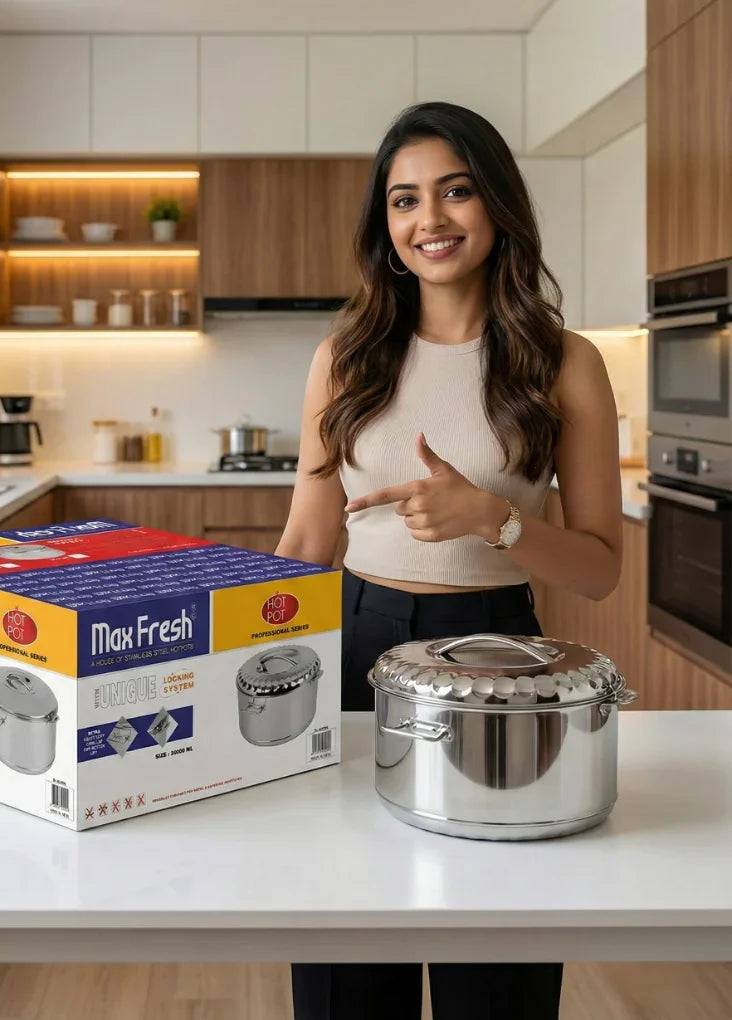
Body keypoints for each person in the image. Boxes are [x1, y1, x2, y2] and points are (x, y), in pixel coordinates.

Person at [274, 101, 623, 1020]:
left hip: (500, 658)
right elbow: (309, 542)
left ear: (498, 203)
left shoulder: (565, 362)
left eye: (455, 191)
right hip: (352, 648)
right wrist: (226, 641)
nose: (429, 219)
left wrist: (496, 519)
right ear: (385, 227)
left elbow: (597, 569)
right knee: (349, 956)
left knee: (493, 964)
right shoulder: (344, 358)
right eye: (404, 200)